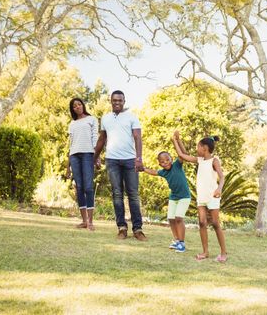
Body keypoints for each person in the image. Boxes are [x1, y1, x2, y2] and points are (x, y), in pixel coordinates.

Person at [94, 90, 147, 241]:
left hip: (130, 160)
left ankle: (138, 229)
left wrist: (139, 158)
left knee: (133, 195)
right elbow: (102, 139)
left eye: (120, 100)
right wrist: (95, 157)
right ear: (111, 101)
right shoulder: (105, 118)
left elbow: (137, 137)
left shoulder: (132, 117)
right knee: (117, 194)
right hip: (112, 161)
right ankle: (122, 228)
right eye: (114, 100)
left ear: (124, 101)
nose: (117, 102)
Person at [172, 130, 227, 262]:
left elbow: (222, 177)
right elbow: (182, 155)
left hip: (212, 196)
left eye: (198, 147)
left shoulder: (214, 160)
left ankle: (224, 253)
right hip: (201, 197)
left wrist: (219, 189)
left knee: (215, 223)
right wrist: (176, 140)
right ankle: (205, 252)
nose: (196, 149)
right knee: (202, 223)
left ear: (205, 148)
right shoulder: (200, 160)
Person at [143, 145, 191, 253]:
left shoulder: (177, 165)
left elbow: (183, 155)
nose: (166, 162)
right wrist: (143, 169)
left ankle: (182, 244)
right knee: (171, 219)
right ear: (160, 164)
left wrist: (177, 141)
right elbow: (154, 172)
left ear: (171, 159)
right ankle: (177, 240)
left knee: (179, 218)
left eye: (167, 160)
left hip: (184, 197)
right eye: (163, 161)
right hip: (173, 197)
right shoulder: (163, 172)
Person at [66, 98, 98, 231]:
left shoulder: (92, 119)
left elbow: (95, 138)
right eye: (74, 106)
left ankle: (90, 222)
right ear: (72, 109)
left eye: (79, 104)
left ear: (83, 105)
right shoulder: (72, 124)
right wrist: (67, 166)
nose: (77, 107)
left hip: (88, 154)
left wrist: (97, 157)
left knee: (89, 187)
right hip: (74, 156)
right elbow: (70, 144)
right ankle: (84, 221)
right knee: (79, 188)